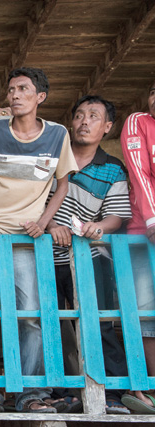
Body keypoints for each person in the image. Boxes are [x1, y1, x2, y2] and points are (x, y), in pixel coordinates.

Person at [0, 67, 78, 413]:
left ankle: (30, 394)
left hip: (28, 236)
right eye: (11, 90)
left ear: (41, 97)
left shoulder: (57, 135)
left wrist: (44, 220)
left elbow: (63, 182)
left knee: (31, 315)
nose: (15, 95)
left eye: (24, 89)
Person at [46, 95, 131, 414]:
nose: (84, 121)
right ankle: (62, 391)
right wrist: (51, 223)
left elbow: (117, 215)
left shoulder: (112, 168)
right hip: (47, 258)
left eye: (93, 116)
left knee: (99, 323)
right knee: (51, 323)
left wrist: (100, 227)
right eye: (79, 115)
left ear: (107, 126)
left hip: (91, 258)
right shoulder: (53, 157)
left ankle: (113, 392)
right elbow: (35, 203)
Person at [119, 79, 155, 414]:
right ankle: (145, 388)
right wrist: (152, 221)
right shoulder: (139, 123)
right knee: (144, 312)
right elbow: (141, 175)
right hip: (143, 236)